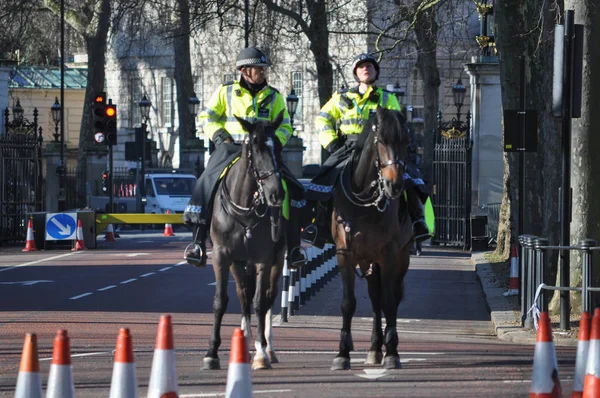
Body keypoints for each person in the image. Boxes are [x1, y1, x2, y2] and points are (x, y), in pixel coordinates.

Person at [183, 47, 305, 267]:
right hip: (231, 149)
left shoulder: (274, 96)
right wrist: (221, 137)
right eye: (260, 68)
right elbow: (207, 117)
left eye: (264, 69)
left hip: (263, 151)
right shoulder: (225, 92)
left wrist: (275, 142)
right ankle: (198, 242)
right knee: (206, 183)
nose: (264, 72)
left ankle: (294, 246)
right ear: (245, 70)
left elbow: (285, 124)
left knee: (289, 187)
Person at [302, 53, 430, 247]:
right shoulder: (341, 98)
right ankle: (318, 226)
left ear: (376, 72)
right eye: (361, 66)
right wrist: (331, 143)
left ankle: (418, 221)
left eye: (370, 66)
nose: (366, 68)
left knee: (409, 178)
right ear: (355, 73)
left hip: (379, 149)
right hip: (348, 147)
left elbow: (397, 123)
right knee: (324, 178)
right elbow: (322, 119)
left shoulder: (387, 98)